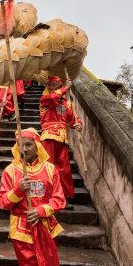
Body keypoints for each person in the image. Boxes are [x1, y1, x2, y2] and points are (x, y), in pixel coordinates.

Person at [0, 128, 65, 266]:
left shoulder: (51, 169)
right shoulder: (11, 171)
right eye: (21, 144)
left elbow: (59, 199)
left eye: (29, 144)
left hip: (46, 228)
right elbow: (2, 202)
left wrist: (42, 210)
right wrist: (18, 190)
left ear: (37, 146)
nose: (24, 148)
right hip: (23, 231)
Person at [39, 77, 82, 207]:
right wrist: (65, 88)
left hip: (63, 140)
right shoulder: (45, 99)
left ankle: (62, 197)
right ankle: (46, 197)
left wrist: (78, 125)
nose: (52, 87)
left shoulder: (68, 104)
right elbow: (52, 98)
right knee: (47, 168)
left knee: (64, 171)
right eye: (50, 85)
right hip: (48, 138)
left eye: (55, 85)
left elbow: (74, 120)